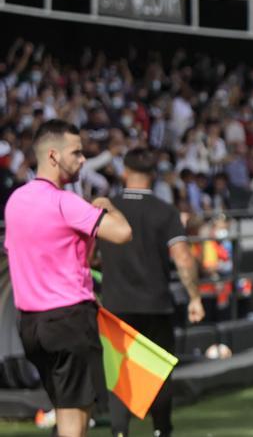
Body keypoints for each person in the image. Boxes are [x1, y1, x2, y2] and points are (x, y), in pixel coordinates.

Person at [3, 119, 133, 437]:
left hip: (31, 325)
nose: (83, 159)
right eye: (76, 152)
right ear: (52, 156)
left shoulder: (15, 201)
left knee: (66, 414)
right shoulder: (66, 202)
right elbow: (123, 234)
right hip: (70, 320)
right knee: (76, 422)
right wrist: (109, 208)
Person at [99, 148, 205, 437]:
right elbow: (183, 257)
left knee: (119, 372)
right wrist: (194, 297)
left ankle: (120, 431)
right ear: (154, 175)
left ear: (124, 172)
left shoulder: (107, 210)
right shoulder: (165, 211)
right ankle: (161, 429)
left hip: (115, 304)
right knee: (159, 371)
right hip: (155, 303)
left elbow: (89, 255)